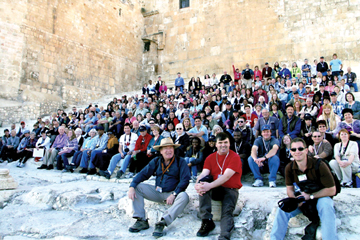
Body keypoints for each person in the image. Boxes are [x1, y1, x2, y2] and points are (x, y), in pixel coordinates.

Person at [270, 138, 338, 240]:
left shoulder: (319, 165)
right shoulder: (289, 167)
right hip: (304, 198)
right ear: (290, 152)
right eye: (294, 150)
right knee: (282, 210)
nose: (297, 152)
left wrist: (311, 196)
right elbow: (289, 189)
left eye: (300, 149)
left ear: (306, 150)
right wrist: (296, 200)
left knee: (326, 206)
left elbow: (332, 190)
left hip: (321, 196)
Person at [127, 138, 190, 238]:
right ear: (160, 151)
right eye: (165, 148)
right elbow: (143, 174)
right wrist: (132, 186)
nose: (168, 150)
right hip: (157, 192)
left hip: (172, 193)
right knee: (138, 187)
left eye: (170, 148)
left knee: (184, 196)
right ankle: (141, 220)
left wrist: (174, 194)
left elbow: (185, 180)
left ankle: (162, 222)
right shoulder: (156, 161)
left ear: (174, 149)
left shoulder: (180, 161)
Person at [194, 132, 242, 239]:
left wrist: (209, 186)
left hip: (230, 189)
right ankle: (207, 221)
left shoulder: (234, 157)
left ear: (230, 144)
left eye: (226, 142)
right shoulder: (210, 157)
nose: (223, 145)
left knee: (226, 213)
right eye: (220, 142)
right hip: (216, 188)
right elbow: (203, 174)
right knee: (203, 185)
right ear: (216, 144)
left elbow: (226, 177)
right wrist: (198, 184)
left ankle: (224, 236)